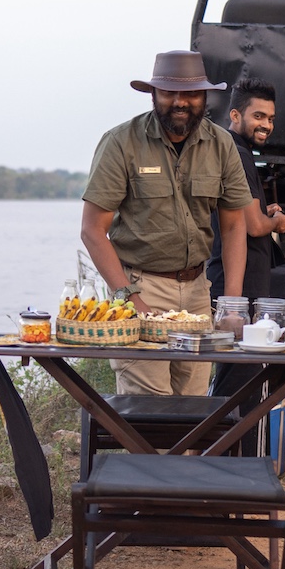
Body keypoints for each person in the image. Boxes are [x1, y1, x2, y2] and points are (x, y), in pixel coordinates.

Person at [81, 50, 252, 396]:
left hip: (197, 293)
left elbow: (234, 227)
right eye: (169, 93)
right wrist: (129, 299)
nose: (180, 102)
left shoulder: (222, 145)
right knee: (149, 410)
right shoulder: (121, 142)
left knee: (193, 410)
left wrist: (232, 305)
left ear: (204, 97)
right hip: (141, 286)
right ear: (153, 94)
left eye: (190, 94)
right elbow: (92, 230)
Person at [205, 77, 285, 301]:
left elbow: (240, 213)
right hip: (238, 289)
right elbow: (254, 227)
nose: (267, 125)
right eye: (258, 116)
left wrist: (264, 210)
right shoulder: (239, 155)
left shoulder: (228, 148)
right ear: (235, 115)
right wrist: (277, 222)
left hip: (228, 284)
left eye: (271, 118)